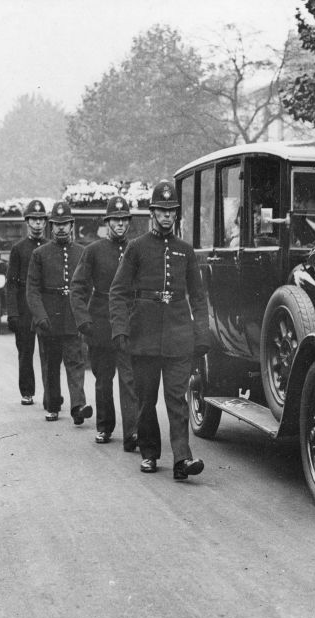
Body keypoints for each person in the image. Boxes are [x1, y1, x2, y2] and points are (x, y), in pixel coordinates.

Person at [109, 180, 210, 479]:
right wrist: (120, 329)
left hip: (179, 336)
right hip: (144, 336)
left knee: (177, 399)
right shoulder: (136, 248)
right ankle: (150, 453)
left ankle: (182, 458)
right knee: (146, 400)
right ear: (151, 213)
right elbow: (118, 291)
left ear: (177, 214)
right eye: (161, 211)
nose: (167, 216)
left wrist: (201, 335)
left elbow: (199, 297)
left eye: (172, 211)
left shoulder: (185, 251)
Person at [70, 195, 138, 449]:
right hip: (100, 322)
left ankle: (132, 432)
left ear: (129, 222)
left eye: (124, 220)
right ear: (107, 222)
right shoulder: (93, 251)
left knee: (130, 379)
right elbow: (78, 288)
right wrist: (83, 320)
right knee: (103, 380)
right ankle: (105, 426)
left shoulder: (136, 248)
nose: (119, 224)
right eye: (115, 220)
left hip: (129, 323)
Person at [26, 201, 92, 423]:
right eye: (57, 224)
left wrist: (84, 316)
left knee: (76, 362)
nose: (61, 228)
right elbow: (32, 290)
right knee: (51, 364)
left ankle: (78, 407)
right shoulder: (40, 253)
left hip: (72, 316)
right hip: (49, 317)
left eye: (65, 224)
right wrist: (40, 316)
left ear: (72, 225)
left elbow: (86, 287)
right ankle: (52, 405)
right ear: (50, 226)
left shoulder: (83, 252)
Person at [6, 199, 48, 405]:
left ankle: (50, 394)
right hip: (24, 308)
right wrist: (12, 312)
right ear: (27, 222)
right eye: (34, 220)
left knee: (48, 353)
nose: (38, 224)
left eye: (41, 220)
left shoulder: (51, 247)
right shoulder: (19, 249)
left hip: (44, 306)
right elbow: (11, 284)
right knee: (25, 352)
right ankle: (27, 392)